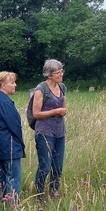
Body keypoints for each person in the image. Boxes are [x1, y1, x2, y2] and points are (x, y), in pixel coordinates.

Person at [32, 59, 67, 199]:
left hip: (60, 131)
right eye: (57, 72)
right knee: (45, 166)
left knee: (57, 167)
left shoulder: (63, 87)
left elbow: (63, 108)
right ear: (49, 74)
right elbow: (36, 114)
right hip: (44, 132)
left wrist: (61, 111)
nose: (61, 74)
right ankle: (39, 194)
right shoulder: (41, 89)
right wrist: (56, 111)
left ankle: (54, 193)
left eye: (61, 71)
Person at [0, 72, 25, 207]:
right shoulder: (4, 102)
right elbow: (14, 125)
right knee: (12, 177)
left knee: (0, 176)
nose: (15, 85)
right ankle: (12, 207)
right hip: (9, 143)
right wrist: (20, 143)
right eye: (12, 82)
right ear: (3, 85)